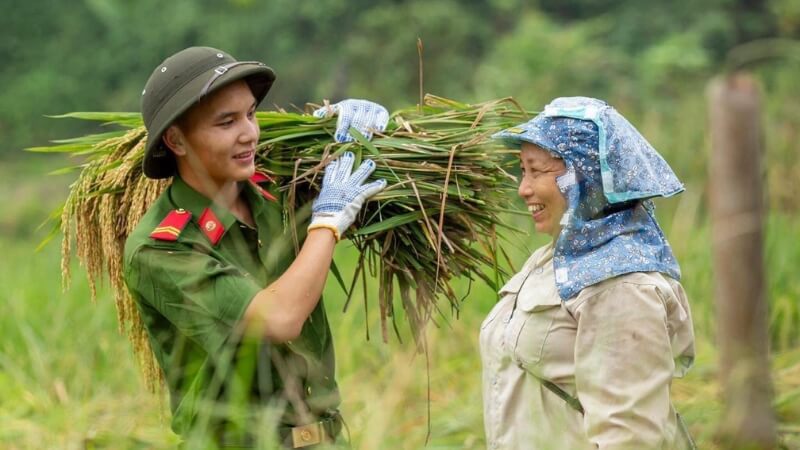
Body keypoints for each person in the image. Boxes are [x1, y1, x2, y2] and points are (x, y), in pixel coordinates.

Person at [123, 46, 388, 448]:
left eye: (250, 114)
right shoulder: (161, 249)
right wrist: (329, 220)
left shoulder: (277, 189)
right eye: (227, 122)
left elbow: (377, 187)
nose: (249, 133)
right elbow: (279, 319)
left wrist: (366, 136)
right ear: (176, 140)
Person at [481, 96, 697, 449]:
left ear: (585, 175)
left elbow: (630, 437)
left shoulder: (622, 286)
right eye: (522, 170)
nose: (523, 189)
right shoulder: (552, 261)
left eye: (537, 171)